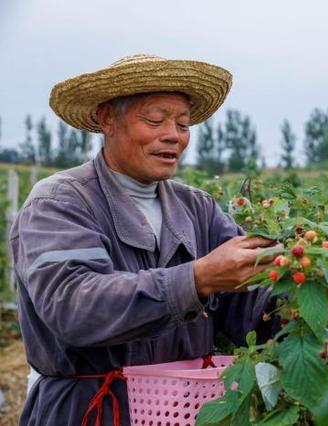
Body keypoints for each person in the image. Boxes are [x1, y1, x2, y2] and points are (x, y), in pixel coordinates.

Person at [11, 54, 279, 425]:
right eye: (155, 120)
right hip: (90, 411)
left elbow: (248, 304)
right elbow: (74, 305)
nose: (173, 134)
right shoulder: (60, 202)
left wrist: (313, 294)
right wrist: (196, 278)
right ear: (107, 119)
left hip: (183, 411)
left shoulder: (197, 208)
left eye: (183, 124)